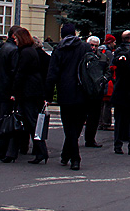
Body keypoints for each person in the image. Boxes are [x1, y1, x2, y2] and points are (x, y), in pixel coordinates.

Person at [45, 23, 87, 170]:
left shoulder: (59, 50)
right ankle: (66, 154)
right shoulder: (85, 48)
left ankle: (74, 158)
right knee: (76, 127)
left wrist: (49, 96)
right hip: (83, 92)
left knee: (69, 127)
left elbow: (52, 74)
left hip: (66, 92)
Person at [4, 27, 48, 164]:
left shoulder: (25, 53)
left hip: (27, 92)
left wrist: (14, 92)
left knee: (27, 122)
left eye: (16, 38)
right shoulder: (31, 51)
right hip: (31, 91)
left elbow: (20, 74)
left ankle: (39, 151)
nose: (15, 41)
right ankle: (14, 153)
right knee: (24, 121)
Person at [0, 25, 21, 160]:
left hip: (1, 89)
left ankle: (0, 150)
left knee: (3, 120)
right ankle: (8, 152)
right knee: (11, 123)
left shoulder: (4, 48)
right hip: (9, 91)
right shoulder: (14, 50)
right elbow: (14, 72)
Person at [82, 36, 108, 148]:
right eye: (91, 45)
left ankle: (90, 139)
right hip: (84, 91)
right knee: (81, 116)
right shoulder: (83, 56)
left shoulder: (102, 57)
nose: (93, 48)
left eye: (95, 46)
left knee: (94, 117)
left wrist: (104, 79)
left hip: (97, 92)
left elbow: (107, 70)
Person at [99, 34, 117, 130]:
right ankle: (106, 123)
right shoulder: (109, 53)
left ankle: (100, 122)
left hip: (100, 80)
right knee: (107, 103)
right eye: (114, 42)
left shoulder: (100, 51)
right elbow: (111, 67)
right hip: (108, 81)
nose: (115, 44)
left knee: (102, 103)